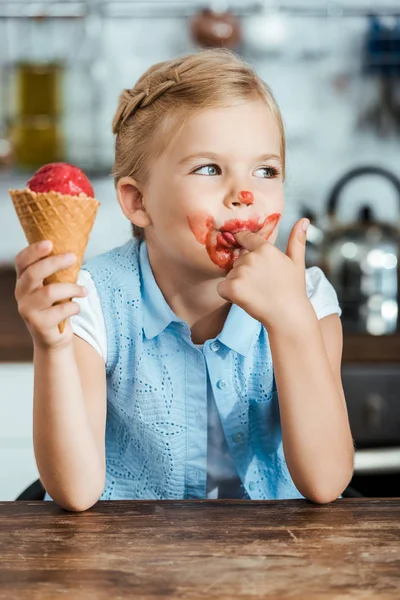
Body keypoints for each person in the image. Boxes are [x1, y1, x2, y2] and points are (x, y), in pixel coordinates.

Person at [14, 49, 354, 511]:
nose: (244, 195)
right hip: (132, 563)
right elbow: (74, 492)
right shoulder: (91, 301)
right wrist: (51, 347)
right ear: (138, 202)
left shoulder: (309, 299)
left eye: (266, 170)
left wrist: (291, 321)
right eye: (209, 169)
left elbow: (327, 481)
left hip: (273, 564)